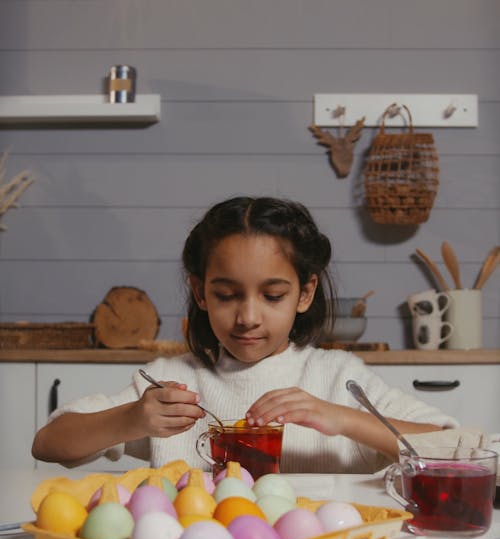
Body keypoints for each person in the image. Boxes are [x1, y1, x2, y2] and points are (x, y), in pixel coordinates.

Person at [32, 196, 457, 473]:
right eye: (227, 294)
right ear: (200, 292)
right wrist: (131, 419)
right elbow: (49, 443)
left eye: (273, 296)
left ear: (305, 293)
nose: (248, 317)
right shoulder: (170, 381)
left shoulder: (338, 377)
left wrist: (343, 418)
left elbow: (461, 448)